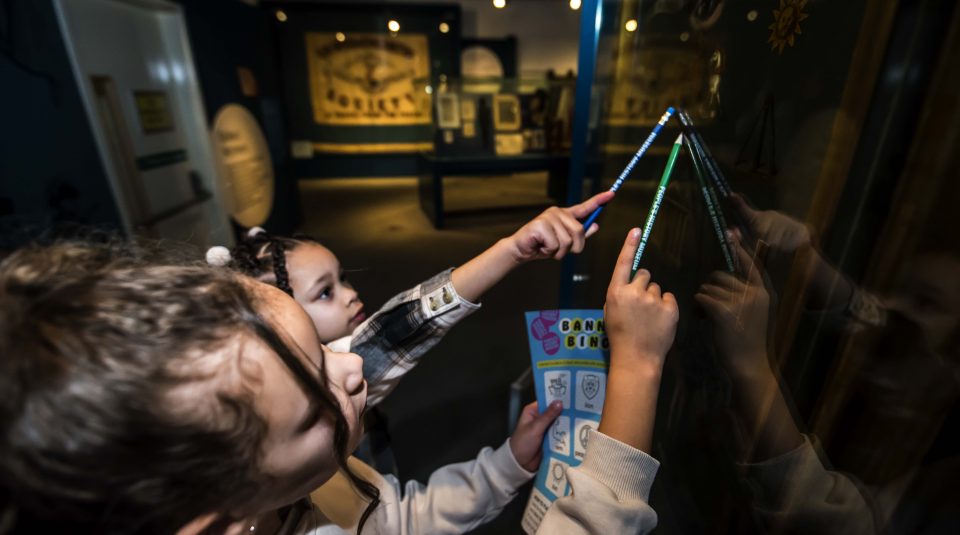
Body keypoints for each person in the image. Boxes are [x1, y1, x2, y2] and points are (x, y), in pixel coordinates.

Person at [0, 228, 678, 534]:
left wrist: (504, 466)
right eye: (314, 394)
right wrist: (639, 368)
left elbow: (391, 519)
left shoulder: (288, 478)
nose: (354, 364)